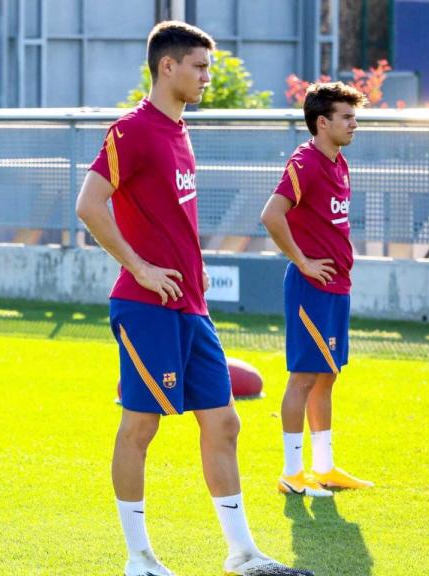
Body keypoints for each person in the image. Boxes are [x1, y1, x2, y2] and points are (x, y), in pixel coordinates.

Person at [76, 21, 314, 576]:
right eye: (200, 67)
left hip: (190, 307)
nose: (207, 77)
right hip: (145, 307)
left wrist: (194, 263)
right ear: (168, 67)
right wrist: (139, 266)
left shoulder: (180, 131)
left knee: (225, 423)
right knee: (141, 427)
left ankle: (243, 553)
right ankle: (138, 558)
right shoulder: (132, 130)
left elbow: (169, 214)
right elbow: (88, 204)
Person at [261, 82, 373, 497]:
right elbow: (272, 215)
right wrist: (303, 261)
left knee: (327, 376)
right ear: (322, 122)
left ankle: (324, 468)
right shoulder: (304, 162)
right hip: (311, 288)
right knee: (304, 377)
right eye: (346, 117)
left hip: (338, 287)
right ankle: (292, 473)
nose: (354, 124)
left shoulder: (339, 162)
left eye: (354, 116)